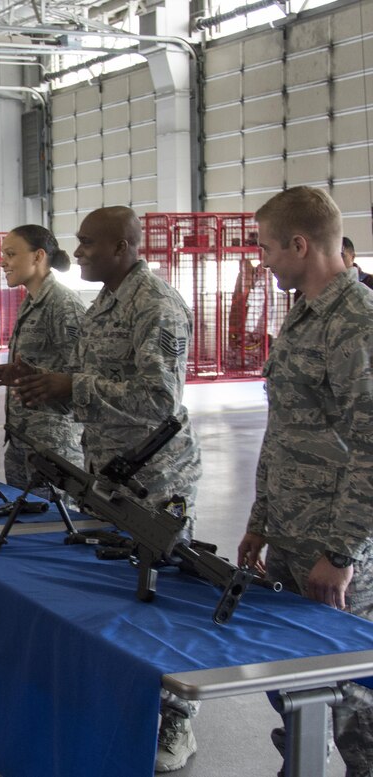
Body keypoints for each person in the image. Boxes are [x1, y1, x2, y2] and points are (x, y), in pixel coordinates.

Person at [12, 206, 203, 773]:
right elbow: (95, 389)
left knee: (163, 600)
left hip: (155, 479)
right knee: (118, 597)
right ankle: (127, 704)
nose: (78, 251)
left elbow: (159, 399)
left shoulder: (156, 305)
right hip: (107, 472)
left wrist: (73, 385)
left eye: (88, 243)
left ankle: (177, 720)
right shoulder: (102, 304)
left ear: (122, 247)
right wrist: (48, 387)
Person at [235, 187, 373, 777]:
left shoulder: (357, 323)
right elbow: (284, 429)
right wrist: (260, 522)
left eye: (266, 247)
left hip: (334, 549)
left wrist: (341, 554)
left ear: (299, 244)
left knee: (355, 700)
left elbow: (371, 449)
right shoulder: (303, 313)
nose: (261, 259)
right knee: (296, 681)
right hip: (291, 536)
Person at [0, 225, 84, 496]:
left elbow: (83, 376)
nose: (3, 262)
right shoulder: (30, 302)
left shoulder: (63, 305)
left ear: (38, 256)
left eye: (11, 254)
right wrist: (20, 374)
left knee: (52, 519)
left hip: (52, 447)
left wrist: (36, 375)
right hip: (22, 439)